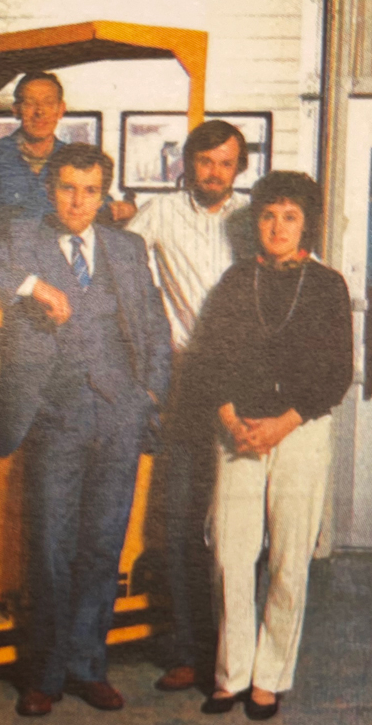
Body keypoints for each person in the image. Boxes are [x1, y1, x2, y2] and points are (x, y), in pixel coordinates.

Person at [0, 143, 171, 715]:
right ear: (50, 189)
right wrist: (32, 286)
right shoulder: (23, 238)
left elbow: (153, 324)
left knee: (103, 546)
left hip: (119, 416)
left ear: (103, 195)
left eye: (90, 191)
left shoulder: (127, 246)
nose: (78, 201)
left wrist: (148, 396)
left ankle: (87, 666)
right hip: (54, 416)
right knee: (50, 548)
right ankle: (44, 675)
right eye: (68, 188)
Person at [193, 172, 351, 719]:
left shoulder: (327, 285)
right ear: (255, 222)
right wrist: (229, 418)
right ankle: (231, 674)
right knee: (230, 556)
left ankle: (270, 678)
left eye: (289, 216)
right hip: (237, 429)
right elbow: (208, 361)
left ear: (307, 223)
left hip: (299, 432)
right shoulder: (236, 281)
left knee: (288, 559)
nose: (278, 227)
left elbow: (337, 373)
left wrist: (283, 424)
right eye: (268, 215)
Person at [126, 120, 255, 690]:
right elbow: (117, 256)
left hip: (248, 384)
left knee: (240, 526)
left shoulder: (255, 217)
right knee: (179, 519)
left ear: (239, 167)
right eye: (205, 161)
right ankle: (185, 650)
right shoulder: (159, 213)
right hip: (187, 380)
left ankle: (236, 653)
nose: (214, 173)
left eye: (226, 163)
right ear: (187, 163)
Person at [0, 72, 134, 245]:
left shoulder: (74, 157)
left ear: (61, 109)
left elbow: (98, 204)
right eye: (30, 103)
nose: (40, 112)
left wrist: (120, 209)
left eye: (48, 103)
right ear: (16, 110)